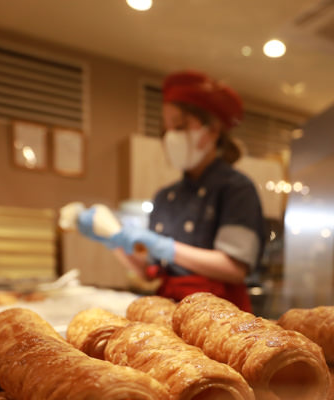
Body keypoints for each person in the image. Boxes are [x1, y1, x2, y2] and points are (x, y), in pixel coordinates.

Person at [76, 70, 266, 312]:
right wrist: (113, 239)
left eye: (179, 125)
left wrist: (166, 247)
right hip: (168, 309)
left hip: (221, 314)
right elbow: (147, 272)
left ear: (212, 130)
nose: (171, 136)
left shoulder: (236, 188)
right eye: (166, 129)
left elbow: (235, 269)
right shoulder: (165, 196)